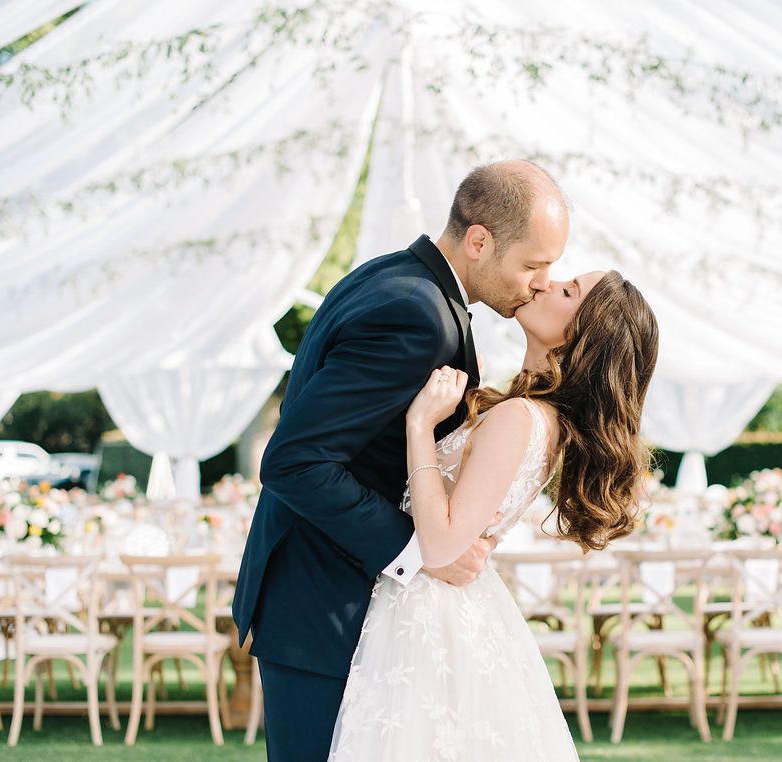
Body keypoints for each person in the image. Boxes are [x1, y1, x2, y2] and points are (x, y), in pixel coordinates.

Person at [231, 160, 570, 760]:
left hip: (335, 605)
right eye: (532, 265)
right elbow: (296, 461)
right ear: (479, 240)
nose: (541, 283)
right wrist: (423, 550)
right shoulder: (416, 314)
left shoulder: (394, 279)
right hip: (327, 606)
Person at [328, 268, 659, 760]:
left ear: (584, 336)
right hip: (442, 606)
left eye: (568, 291)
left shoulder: (519, 418)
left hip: (428, 613)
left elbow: (441, 545)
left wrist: (420, 425)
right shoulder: (536, 416)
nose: (546, 283)